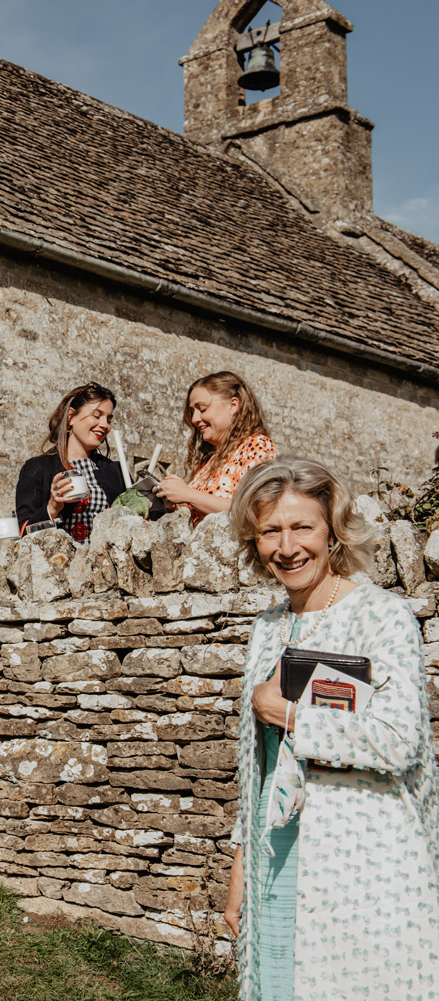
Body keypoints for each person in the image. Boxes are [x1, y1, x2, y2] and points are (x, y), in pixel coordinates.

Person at [224, 458, 439, 999]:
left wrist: (290, 713)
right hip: (277, 851)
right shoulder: (268, 627)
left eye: (303, 527)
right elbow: (262, 764)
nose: (287, 547)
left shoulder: (381, 616)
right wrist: (240, 864)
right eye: (271, 530)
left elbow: (400, 738)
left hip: (362, 858)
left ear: (333, 531)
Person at [155, 371, 277, 525]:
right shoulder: (210, 460)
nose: (194, 419)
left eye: (202, 409)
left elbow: (255, 511)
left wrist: (188, 494)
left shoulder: (258, 446)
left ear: (233, 406)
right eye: (193, 411)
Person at [14, 382, 126, 541]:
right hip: (59, 562)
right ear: (71, 416)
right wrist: (52, 508)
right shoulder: (38, 468)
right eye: (96, 415)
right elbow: (23, 533)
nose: (104, 425)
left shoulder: (116, 471)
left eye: (108, 419)